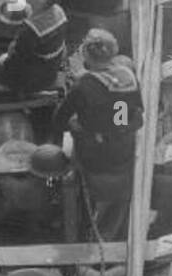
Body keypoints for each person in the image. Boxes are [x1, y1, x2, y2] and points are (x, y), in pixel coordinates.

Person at [52, 27, 143, 241]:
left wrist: (56, 139)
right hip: (122, 148)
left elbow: (60, 118)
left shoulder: (84, 86)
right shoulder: (128, 77)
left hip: (95, 154)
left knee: (73, 122)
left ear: (86, 55)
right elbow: (134, 113)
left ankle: (70, 177)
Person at [0, 0, 67, 95]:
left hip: (34, 79)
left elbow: (15, 62)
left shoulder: (32, 30)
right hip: (51, 67)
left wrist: (4, 60)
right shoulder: (58, 11)